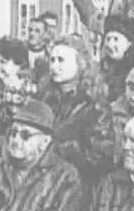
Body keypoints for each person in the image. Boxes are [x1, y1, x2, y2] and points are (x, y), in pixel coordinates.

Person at [40, 34, 115, 185]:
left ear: (80, 63)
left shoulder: (95, 106)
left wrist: (69, 151)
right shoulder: (45, 99)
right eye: (52, 60)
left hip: (76, 183)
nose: (54, 66)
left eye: (61, 60)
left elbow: (101, 157)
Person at [98, 14, 134, 103]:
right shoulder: (104, 67)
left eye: (115, 39)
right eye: (108, 39)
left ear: (130, 42)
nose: (110, 44)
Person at [26, 16, 50, 81]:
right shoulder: (20, 51)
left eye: (37, 31)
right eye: (30, 30)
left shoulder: (49, 56)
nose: (32, 33)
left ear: (45, 34)